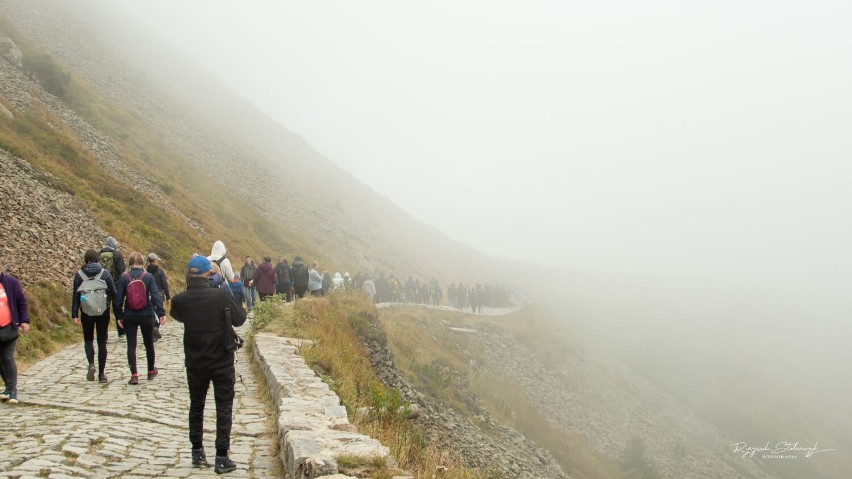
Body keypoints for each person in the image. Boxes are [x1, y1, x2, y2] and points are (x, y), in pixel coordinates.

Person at [170, 255, 246, 474]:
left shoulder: (180, 300)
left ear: (188, 274)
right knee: (223, 405)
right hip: (221, 360)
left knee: (197, 405)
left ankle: (196, 451)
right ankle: (221, 457)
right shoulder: (221, 295)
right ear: (208, 274)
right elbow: (240, 319)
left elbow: (179, 316)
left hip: (195, 361)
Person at [116, 252, 166, 385]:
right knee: (149, 343)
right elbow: (155, 296)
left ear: (130, 263)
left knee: (131, 345)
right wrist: (161, 313)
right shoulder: (148, 277)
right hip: (146, 314)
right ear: (143, 263)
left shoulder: (124, 277)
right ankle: (150, 372)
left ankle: (134, 375)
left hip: (129, 315)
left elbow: (118, 299)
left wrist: (119, 316)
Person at [72, 249, 118, 383]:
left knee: (88, 340)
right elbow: (114, 293)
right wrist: (116, 310)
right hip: (102, 311)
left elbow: (76, 295)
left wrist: (75, 313)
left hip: (86, 312)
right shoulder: (105, 274)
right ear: (98, 259)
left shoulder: (79, 275)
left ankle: (91, 364)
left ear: (86, 260)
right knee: (102, 342)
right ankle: (102, 374)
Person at [0, 259, 30, 405]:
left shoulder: (11, 283)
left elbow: (21, 302)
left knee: (8, 358)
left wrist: (24, 321)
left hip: (9, 328)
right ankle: (7, 387)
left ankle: (12, 391)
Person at [100, 236, 126, 338]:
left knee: (104, 309)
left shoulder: (99, 254)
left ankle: (104, 334)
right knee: (117, 308)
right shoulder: (117, 254)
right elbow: (122, 269)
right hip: (116, 285)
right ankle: (121, 330)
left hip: (102, 286)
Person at [146, 253, 170, 342]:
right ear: (155, 261)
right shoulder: (160, 271)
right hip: (159, 294)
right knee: (158, 312)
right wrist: (168, 296)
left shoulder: (146, 271)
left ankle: (152, 329)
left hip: (148, 295)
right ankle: (156, 328)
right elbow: (164, 284)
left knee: (151, 313)